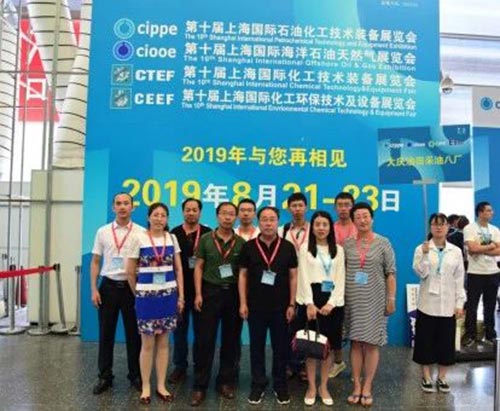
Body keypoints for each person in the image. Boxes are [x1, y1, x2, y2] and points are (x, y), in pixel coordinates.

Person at [238, 206, 298, 405]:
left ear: (278, 222)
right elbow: (243, 275)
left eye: (272, 219)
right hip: (255, 306)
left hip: (281, 307)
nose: (268, 223)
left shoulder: (287, 247)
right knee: (256, 347)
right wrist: (243, 302)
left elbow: (293, 276)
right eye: (264, 219)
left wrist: (292, 304)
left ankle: (280, 385)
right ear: (258, 221)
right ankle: (258, 384)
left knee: (280, 347)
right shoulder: (249, 247)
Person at [126, 202, 184, 404]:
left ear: (167, 219)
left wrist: (181, 296)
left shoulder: (172, 238)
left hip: (168, 296)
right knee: (148, 344)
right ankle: (145, 387)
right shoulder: (138, 238)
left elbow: (178, 269)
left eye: (163, 215)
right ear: (148, 217)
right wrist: (139, 294)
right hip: (146, 299)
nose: (159, 218)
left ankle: (161, 385)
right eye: (156, 214)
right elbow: (130, 271)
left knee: (164, 344)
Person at [190, 202, 246, 406]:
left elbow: (243, 274)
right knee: (205, 340)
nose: (227, 217)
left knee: (230, 341)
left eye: (231, 214)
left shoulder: (241, 243)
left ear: (236, 217)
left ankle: (225, 382)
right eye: (224, 213)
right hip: (209, 292)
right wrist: (198, 293)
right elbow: (198, 267)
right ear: (217, 216)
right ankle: (199, 386)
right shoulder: (206, 239)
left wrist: (243, 301)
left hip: (232, 294)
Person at [343, 202, 396, 408]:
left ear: (372, 218)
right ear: (353, 221)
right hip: (352, 300)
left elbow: (390, 273)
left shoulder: (383, 243)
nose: (362, 220)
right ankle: (356, 385)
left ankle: (367, 386)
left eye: (365, 216)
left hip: (375, 299)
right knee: (356, 342)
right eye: (358, 217)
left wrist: (391, 299)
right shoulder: (347, 244)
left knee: (372, 343)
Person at [90, 192, 143, 395]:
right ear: (113, 207)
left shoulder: (141, 232)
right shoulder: (103, 232)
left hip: (131, 288)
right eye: (118, 203)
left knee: (134, 335)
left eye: (126, 203)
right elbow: (96, 261)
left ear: (132, 207)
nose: (122, 207)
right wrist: (94, 289)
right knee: (106, 334)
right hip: (108, 287)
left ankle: (135, 375)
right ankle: (105, 376)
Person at [412, 213, 465, 393]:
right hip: (427, 304)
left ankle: (442, 377)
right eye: (435, 224)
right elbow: (421, 273)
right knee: (425, 341)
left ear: (448, 227)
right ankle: (426, 376)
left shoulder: (455, 251)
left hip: (448, 305)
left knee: (446, 342)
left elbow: (459, 278)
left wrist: (460, 303)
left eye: (442, 224)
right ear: (430, 227)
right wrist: (425, 255)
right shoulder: (421, 248)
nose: (439, 227)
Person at [297, 211, 345, 406]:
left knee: (328, 348)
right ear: (312, 227)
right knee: (311, 346)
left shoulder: (339, 250)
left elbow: (340, 278)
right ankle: (311, 387)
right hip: (311, 299)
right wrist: (309, 303)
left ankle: (323, 386)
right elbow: (303, 276)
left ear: (330, 228)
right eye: (317, 224)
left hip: (332, 302)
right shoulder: (305, 249)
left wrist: (331, 303)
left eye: (325, 224)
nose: (321, 228)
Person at [169, 198, 211, 384]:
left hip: (202, 291)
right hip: (179, 290)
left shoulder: (208, 233)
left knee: (202, 332)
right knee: (179, 331)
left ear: (200, 212)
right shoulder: (174, 234)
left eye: (195, 210)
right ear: (182, 212)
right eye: (188, 209)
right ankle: (180, 366)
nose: (191, 213)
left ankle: (200, 366)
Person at [462, 202, 500, 347]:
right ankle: (470, 334)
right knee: (472, 305)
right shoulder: (469, 228)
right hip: (475, 272)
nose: (492, 213)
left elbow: (499, 250)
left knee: (490, 305)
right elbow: (472, 248)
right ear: (480, 212)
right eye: (489, 210)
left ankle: (490, 334)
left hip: (493, 272)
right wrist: (491, 246)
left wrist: (481, 249)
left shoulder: (495, 229)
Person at [329, 191, 356, 379]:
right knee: (335, 325)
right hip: (333, 282)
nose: (344, 208)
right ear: (335, 207)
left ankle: (357, 367)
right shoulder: (330, 228)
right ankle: (338, 362)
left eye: (347, 205)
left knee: (356, 326)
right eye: (340, 205)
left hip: (356, 283)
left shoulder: (359, 227)